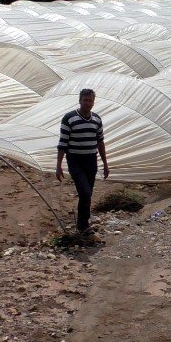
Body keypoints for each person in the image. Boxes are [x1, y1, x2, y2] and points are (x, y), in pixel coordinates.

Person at [56, 88, 110, 238]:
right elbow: (63, 143)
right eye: (85, 100)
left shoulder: (96, 119)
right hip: (75, 161)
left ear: (93, 102)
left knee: (88, 193)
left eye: (90, 100)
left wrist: (105, 164)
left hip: (91, 160)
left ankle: (83, 223)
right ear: (79, 101)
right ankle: (83, 225)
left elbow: (100, 142)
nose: (88, 103)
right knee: (85, 192)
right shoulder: (69, 118)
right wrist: (58, 165)